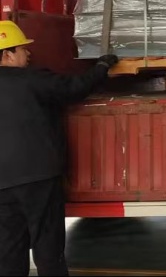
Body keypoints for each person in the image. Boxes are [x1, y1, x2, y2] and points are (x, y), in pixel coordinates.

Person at [0, 20, 118, 276]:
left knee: (8, 253)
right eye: (22, 49)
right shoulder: (32, 80)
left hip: (2, 185)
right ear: (7, 54)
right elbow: (75, 89)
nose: (28, 54)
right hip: (38, 179)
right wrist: (102, 66)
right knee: (48, 250)